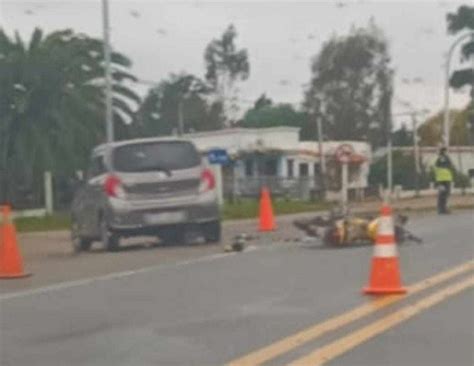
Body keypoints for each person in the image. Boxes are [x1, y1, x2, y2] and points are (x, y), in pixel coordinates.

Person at [432, 147, 454, 214]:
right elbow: (451, 166)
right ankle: (445, 209)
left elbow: (434, 168)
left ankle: (440, 210)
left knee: (441, 194)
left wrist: (437, 177)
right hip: (447, 178)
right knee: (447, 194)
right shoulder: (447, 158)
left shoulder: (437, 159)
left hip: (440, 179)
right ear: (444, 151)